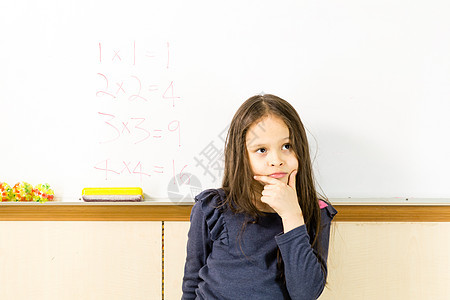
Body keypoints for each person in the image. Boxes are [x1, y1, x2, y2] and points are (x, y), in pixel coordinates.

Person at [182, 94, 337, 300]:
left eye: (287, 146)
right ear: (241, 156)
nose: (276, 160)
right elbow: (191, 283)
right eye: (261, 150)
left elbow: (305, 293)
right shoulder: (213, 207)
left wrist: (292, 216)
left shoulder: (315, 211)